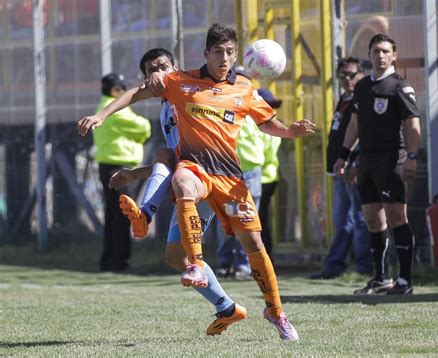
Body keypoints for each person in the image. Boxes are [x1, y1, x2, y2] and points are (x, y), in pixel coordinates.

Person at [78, 23, 316, 341]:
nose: (224, 58)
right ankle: (196, 263)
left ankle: (275, 312)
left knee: (253, 246)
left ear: (236, 55)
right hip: (196, 171)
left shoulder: (243, 88)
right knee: (183, 179)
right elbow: (136, 93)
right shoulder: (182, 82)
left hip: (230, 178)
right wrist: (102, 115)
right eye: (218, 52)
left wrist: (290, 132)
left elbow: (266, 122)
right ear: (206, 54)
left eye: (230, 52)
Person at [105, 48, 245, 336]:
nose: (159, 72)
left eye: (163, 66)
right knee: (174, 257)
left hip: (208, 178)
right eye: (151, 70)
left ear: (175, 68)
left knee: (253, 246)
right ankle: (227, 308)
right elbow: (171, 160)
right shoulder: (166, 106)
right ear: (146, 79)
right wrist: (134, 173)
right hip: (186, 180)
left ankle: (145, 214)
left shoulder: (188, 94)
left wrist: (101, 115)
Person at [334, 34, 421, 295]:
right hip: (367, 160)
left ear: (394, 55)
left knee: (396, 216)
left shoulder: (399, 86)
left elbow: (412, 123)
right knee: (372, 219)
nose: (380, 56)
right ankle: (381, 277)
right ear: (369, 55)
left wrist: (413, 157)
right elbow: (354, 124)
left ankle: (405, 279)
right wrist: (344, 154)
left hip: (393, 158)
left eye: (385, 51)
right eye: (375, 51)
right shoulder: (362, 87)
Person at [310, 57, 373, 279]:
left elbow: (364, 133)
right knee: (341, 220)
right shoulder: (345, 98)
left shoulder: (363, 97)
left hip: (352, 168)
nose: (347, 80)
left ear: (362, 74)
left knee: (359, 218)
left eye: (351, 75)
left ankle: (365, 266)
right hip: (338, 169)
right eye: (342, 76)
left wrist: (355, 162)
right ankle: (335, 266)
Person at [93, 73, 151, 272]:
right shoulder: (116, 110)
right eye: (124, 89)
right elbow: (144, 127)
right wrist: (138, 136)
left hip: (107, 165)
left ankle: (108, 260)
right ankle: (120, 261)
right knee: (125, 214)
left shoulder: (103, 105)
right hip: (119, 167)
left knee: (113, 214)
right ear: (115, 91)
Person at [214, 67, 265, 280]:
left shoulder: (255, 102)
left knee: (247, 221)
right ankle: (225, 262)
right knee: (224, 220)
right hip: (226, 170)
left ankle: (244, 265)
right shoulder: (222, 101)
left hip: (251, 170)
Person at [257, 88, 283, 261]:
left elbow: (264, 153)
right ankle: (266, 258)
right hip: (267, 177)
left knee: (259, 221)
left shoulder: (265, 126)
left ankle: (265, 258)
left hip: (263, 178)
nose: (271, 109)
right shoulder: (263, 124)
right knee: (260, 220)